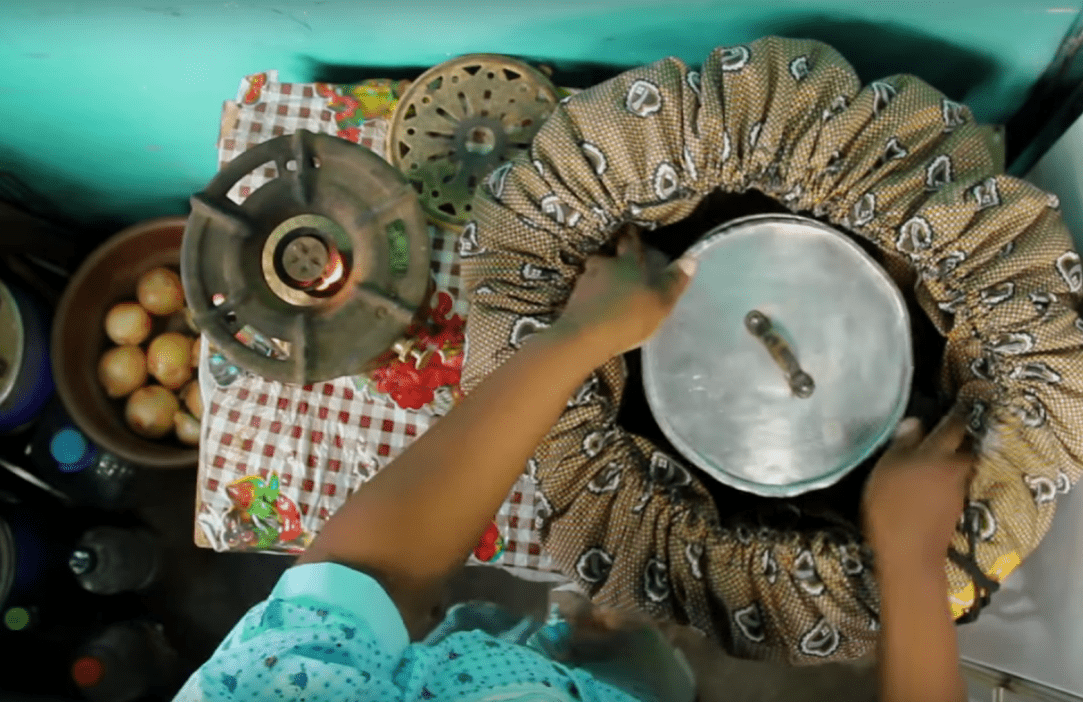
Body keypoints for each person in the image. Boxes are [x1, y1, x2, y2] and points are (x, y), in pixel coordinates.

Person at [173, 232, 973, 702]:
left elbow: (360, 583)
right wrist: (907, 562)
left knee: (615, 646)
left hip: (493, 675)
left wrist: (578, 340)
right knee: (648, 674)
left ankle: (604, 648)